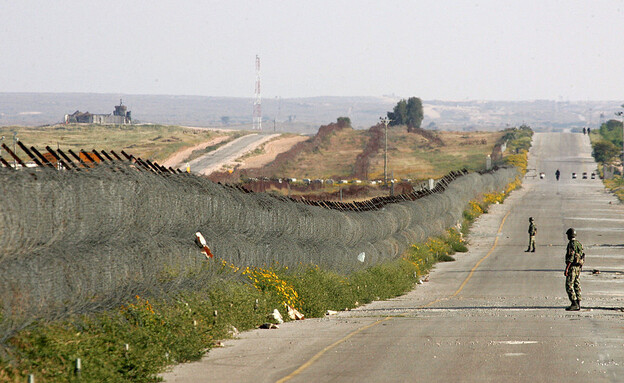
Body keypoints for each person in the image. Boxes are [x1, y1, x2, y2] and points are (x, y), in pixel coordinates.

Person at [564, 228, 584, 311]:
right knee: (576, 284)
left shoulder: (571, 244)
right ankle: (578, 302)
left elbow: (571, 257)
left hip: (572, 267)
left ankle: (574, 303)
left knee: (569, 285)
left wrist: (567, 268)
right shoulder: (579, 243)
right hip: (578, 267)